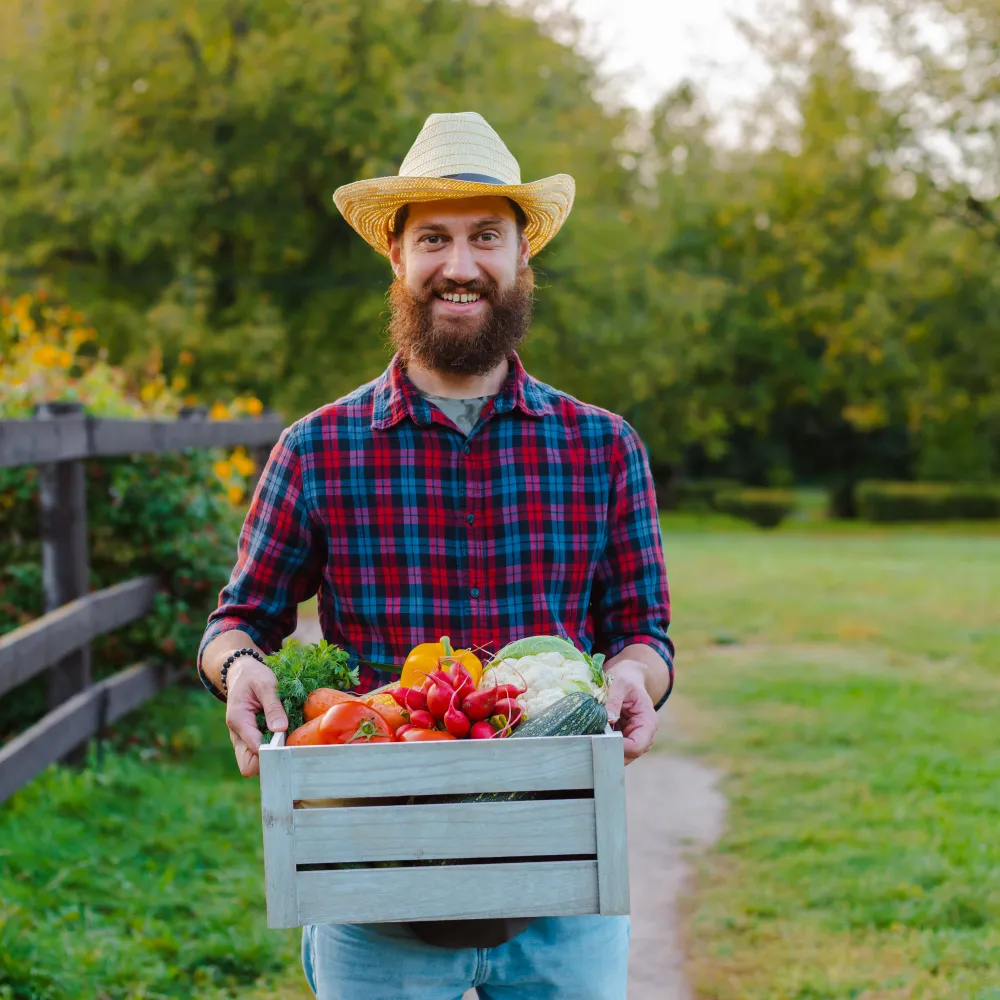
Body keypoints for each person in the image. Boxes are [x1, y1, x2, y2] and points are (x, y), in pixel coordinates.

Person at [198, 111, 674, 1000]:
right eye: (435, 240)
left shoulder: (603, 448)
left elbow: (642, 631)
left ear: (521, 256)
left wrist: (635, 682)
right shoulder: (318, 449)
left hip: (561, 876)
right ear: (397, 257)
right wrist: (239, 673)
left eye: (486, 236)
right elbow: (238, 622)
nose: (461, 265)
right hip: (375, 880)